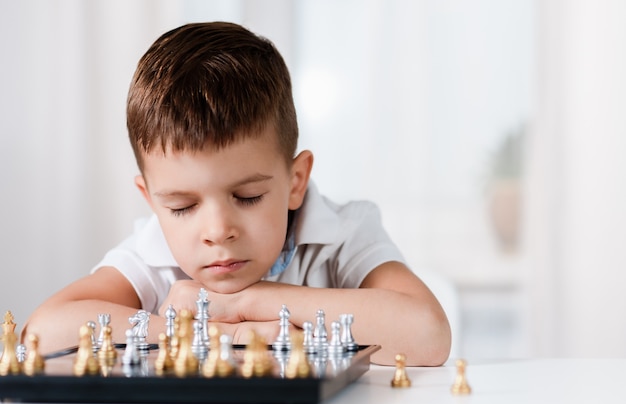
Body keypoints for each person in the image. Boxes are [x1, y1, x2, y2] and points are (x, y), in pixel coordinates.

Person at [23, 22, 450, 366]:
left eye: (246, 197)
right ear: (152, 201)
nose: (217, 230)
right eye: (182, 206)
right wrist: (217, 333)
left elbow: (428, 335)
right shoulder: (152, 256)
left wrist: (246, 303)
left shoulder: (344, 233)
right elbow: (42, 332)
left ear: (296, 181)